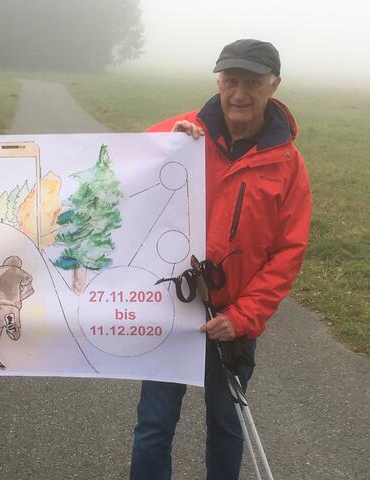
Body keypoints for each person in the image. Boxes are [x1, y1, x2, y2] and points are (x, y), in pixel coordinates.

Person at [130, 39, 312, 479]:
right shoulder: (183, 132)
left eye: (252, 82)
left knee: (227, 424)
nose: (239, 94)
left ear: (274, 85)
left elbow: (288, 251)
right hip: (171, 310)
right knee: (154, 425)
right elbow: (124, 166)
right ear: (218, 81)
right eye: (231, 81)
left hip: (232, 320)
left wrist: (245, 316)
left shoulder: (287, 163)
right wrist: (165, 149)